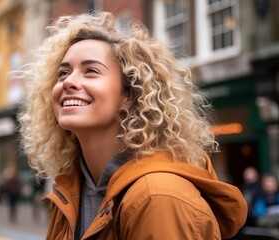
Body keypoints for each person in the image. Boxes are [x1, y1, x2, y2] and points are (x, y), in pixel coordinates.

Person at [19, 11, 247, 239]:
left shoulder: (158, 197)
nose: (68, 82)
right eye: (63, 73)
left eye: (91, 71)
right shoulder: (67, 192)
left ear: (130, 94)